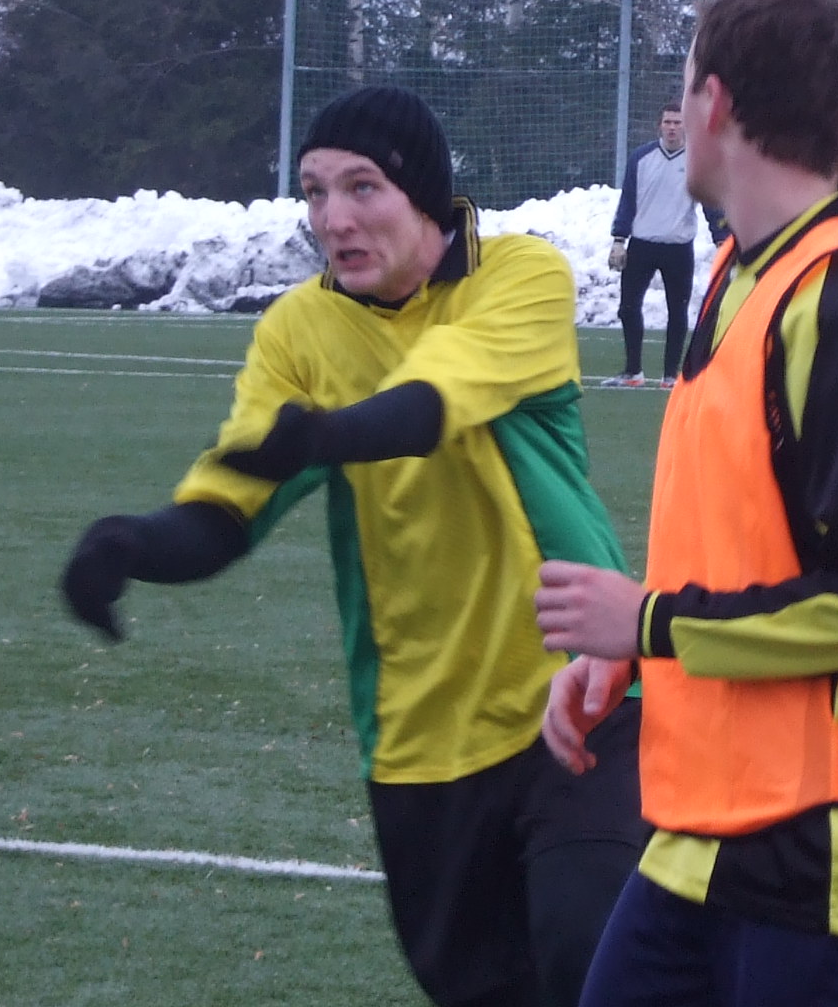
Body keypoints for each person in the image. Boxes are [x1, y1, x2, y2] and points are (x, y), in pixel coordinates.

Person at [58, 84, 643, 1007]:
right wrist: (131, 545)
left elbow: (433, 397)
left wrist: (321, 436)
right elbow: (228, 506)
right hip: (416, 740)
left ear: (426, 197)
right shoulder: (298, 329)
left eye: (363, 187)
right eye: (315, 192)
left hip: (580, 695)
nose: (334, 218)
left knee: (591, 955)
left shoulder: (520, 274)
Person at [534, 0, 838, 1007]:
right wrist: (632, 654)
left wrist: (649, 623)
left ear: (717, 102)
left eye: (685, 83)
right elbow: (744, 541)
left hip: (826, 848)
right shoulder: (741, 273)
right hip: (707, 828)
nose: (678, 109)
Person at [612, 100, 701, 384]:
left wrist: (722, 238)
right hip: (642, 245)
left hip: (679, 248)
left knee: (677, 311)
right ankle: (633, 371)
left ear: (685, 126)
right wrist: (618, 240)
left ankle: (670, 375)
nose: (672, 128)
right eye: (667, 122)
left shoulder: (696, 161)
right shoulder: (641, 158)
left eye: (677, 122)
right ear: (659, 126)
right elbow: (628, 201)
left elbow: (711, 202)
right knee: (627, 307)